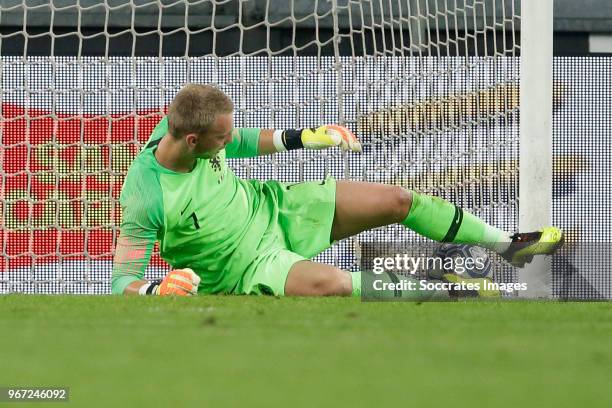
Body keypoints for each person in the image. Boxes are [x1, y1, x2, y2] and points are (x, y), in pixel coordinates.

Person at [111, 84, 564, 297]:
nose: (230, 141)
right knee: (331, 283)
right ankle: (451, 290)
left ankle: (508, 247)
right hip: (242, 269)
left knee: (396, 199)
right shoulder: (146, 195)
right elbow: (121, 283)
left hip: (276, 209)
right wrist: (154, 291)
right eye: (220, 138)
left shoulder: (184, 124)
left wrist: (307, 136)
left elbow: (244, 141)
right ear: (192, 141)